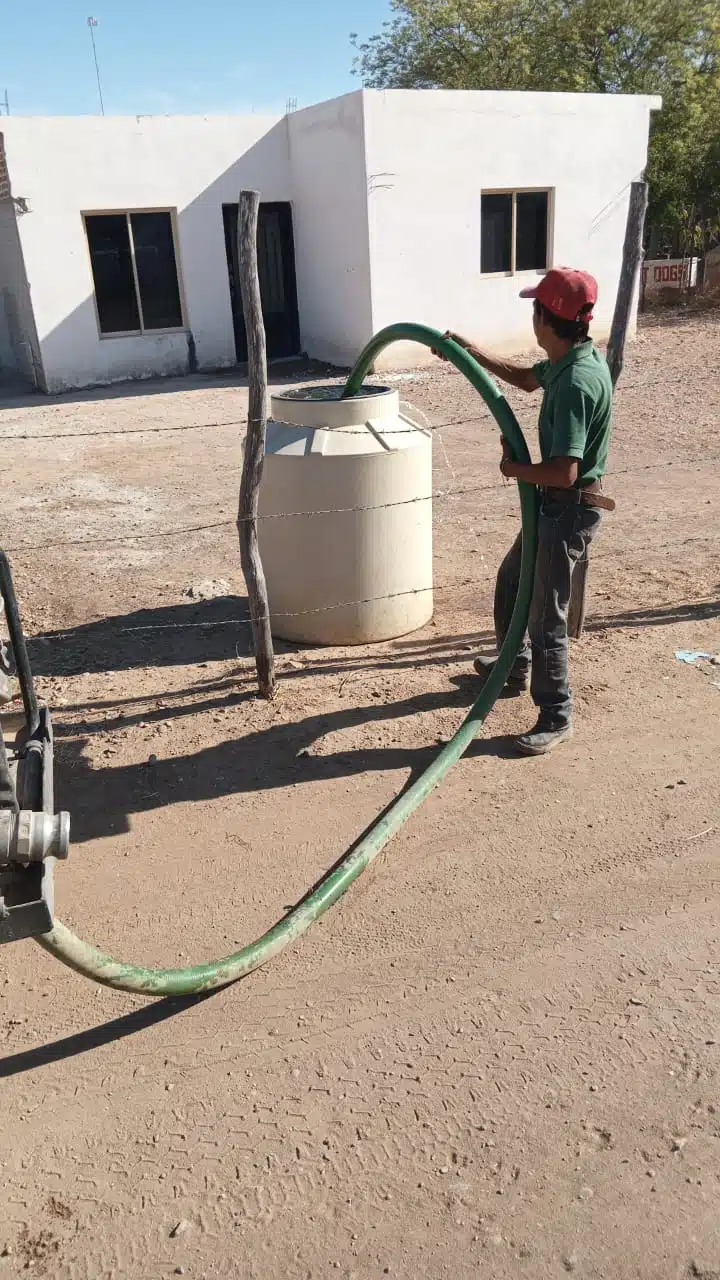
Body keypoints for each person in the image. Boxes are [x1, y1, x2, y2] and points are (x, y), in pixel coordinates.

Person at [439, 266, 614, 756]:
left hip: (568, 508)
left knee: (546, 614)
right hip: (555, 506)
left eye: (534, 307)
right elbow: (523, 379)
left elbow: (564, 472)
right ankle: (512, 666)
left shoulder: (578, 382)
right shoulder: (569, 361)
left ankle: (556, 712)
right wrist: (471, 352)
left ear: (545, 318)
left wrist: (514, 468)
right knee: (512, 580)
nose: (531, 315)